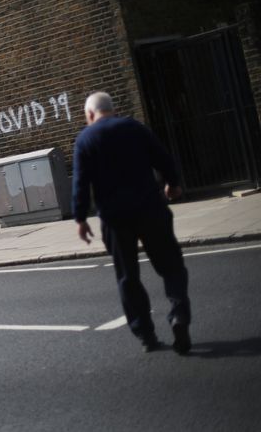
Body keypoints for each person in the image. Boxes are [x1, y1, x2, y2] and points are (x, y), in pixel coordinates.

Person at [72, 92, 191, 354]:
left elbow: (81, 183)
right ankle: (179, 313)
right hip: (150, 208)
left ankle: (146, 334)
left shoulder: (86, 139)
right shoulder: (134, 128)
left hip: (115, 219)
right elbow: (163, 157)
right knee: (171, 266)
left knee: (128, 277)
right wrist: (173, 183)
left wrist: (80, 218)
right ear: (111, 110)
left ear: (90, 114)